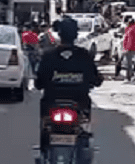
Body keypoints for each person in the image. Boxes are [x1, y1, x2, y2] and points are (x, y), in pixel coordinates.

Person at [35, 17, 103, 153]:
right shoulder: (84, 56)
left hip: (51, 102)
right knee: (83, 127)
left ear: (59, 35)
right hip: (79, 102)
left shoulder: (49, 56)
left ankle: (44, 150)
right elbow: (96, 79)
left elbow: (38, 82)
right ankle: (83, 144)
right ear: (76, 35)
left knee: (45, 125)